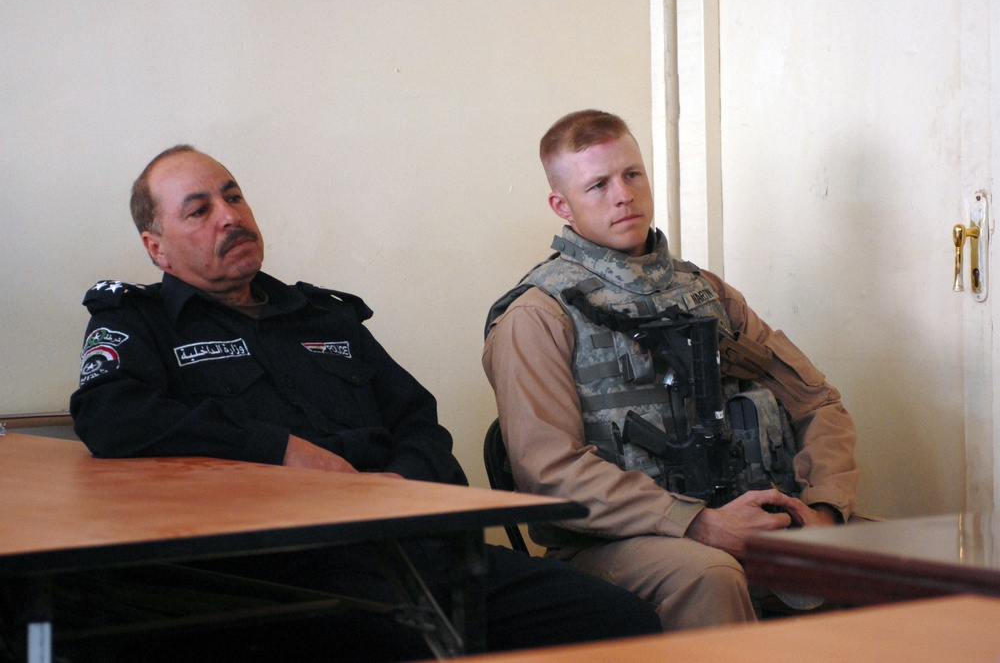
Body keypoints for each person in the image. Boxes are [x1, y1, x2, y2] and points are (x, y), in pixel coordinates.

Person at [69, 144, 660, 662]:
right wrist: (280, 452)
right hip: (286, 574)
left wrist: (399, 488)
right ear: (157, 247)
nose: (230, 217)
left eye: (234, 197)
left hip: (412, 548)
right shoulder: (140, 322)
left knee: (619, 620)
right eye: (200, 211)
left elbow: (417, 420)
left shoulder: (321, 314)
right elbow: (111, 415)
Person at [482, 110, 860, 632]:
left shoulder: (704, 292)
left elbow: (815, 402)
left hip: (748, 512)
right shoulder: (537, 315)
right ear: (561, 205)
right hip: (615, 543)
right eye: (598, 184)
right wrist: (697, 523)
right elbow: (551, 473)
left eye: (632, 174)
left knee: (891, 557)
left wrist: (824, 510)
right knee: (709, 574)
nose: (623, 195)